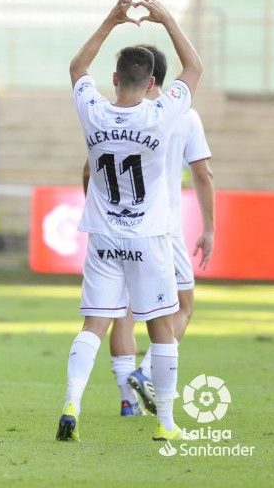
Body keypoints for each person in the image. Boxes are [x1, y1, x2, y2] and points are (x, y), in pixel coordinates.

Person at [56, 0, 202, 442]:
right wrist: (164, 17)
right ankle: (166, 423)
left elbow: (77, 67)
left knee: (93, 325)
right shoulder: (162, 114)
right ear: (151, 81)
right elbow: (194, 68)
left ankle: (72, 403)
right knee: (162, 329)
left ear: (115, 77)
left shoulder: (93, 110)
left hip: (103, 237)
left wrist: (112, 19)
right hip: (148, 238)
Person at [81, 44, 214, 416]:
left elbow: (89, 171)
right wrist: (210, 228)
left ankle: (127, 399)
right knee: (179, 307)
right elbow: (203, 173)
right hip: (160, 229)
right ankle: (146, 372)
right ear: (158, 76)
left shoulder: (109, 114)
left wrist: (98, 213)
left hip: (113, 226)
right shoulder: (182, 114)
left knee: (119, 310)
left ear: (124, 75)